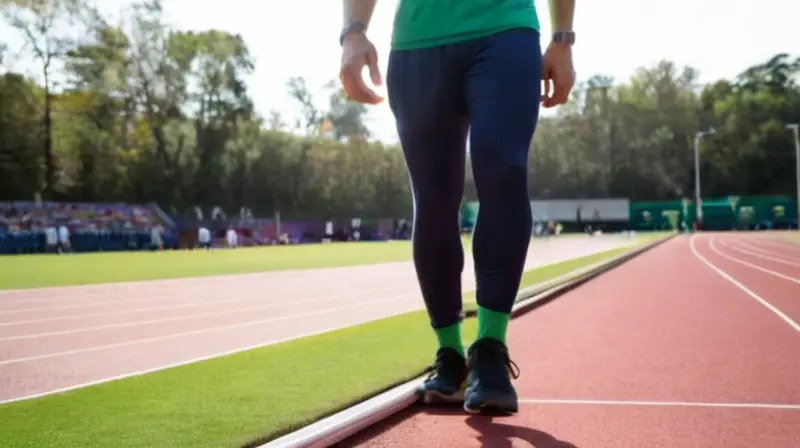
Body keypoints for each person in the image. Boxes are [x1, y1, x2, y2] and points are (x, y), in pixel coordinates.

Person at [339, 0, 576, 415]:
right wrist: (353, 31)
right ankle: (449, 353)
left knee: (503, 168)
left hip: (505, 30)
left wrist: (563, 39)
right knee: (432, 198)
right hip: (418, 44)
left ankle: (489, 348)